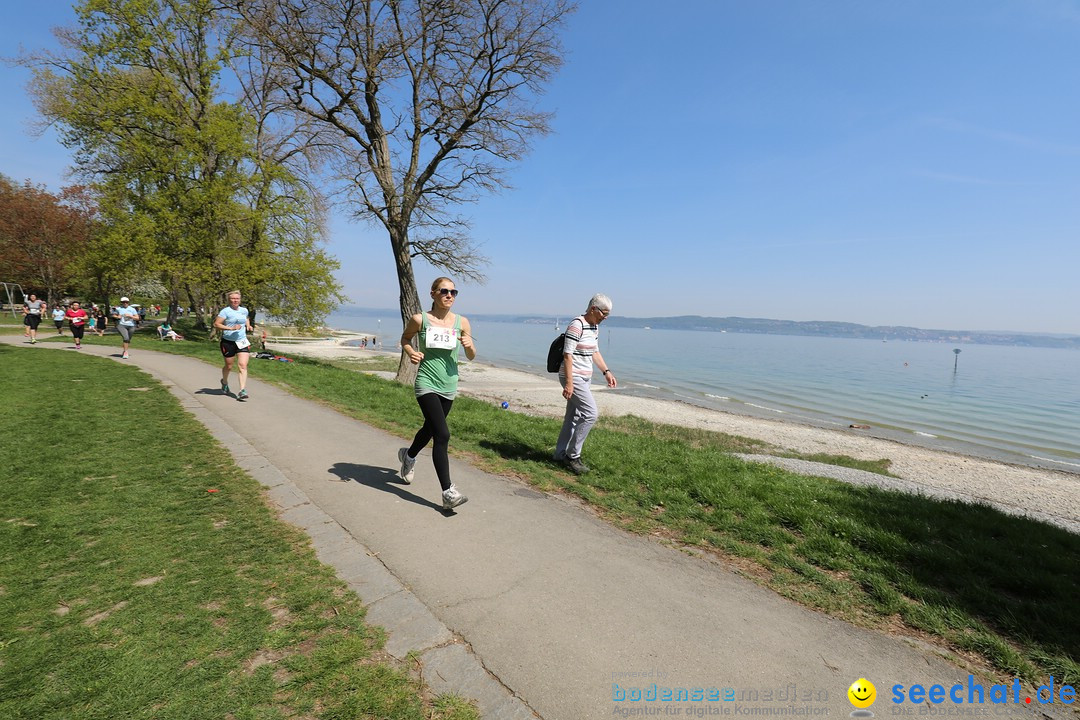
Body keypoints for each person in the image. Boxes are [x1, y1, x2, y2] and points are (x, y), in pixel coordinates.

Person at [397, 277, 476, 511]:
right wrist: (411, 352)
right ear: (433, 294)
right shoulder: (420, 319)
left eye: (453, 292)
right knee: (442, 435)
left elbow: (471, 355)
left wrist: (469, 345)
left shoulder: (462, 322)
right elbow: (404, 339)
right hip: (426, 382)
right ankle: (448, 492)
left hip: (449, 385)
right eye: (444, 291)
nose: (449, 295)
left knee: (430, 429)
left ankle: (408, 456)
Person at [553, 293, 617, 475]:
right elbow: (568, 354)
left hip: (584, 377)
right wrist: (570, 383)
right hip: (572, 377)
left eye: (607, 315)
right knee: (590, 414)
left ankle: (559, 454)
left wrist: (606, 371)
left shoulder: (594, 327)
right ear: (593, 309)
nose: (605, 317)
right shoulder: (577, 325)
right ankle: (573, 456)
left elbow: (595, 352)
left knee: (572, 417)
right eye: (604, 313)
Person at [214, 290, 254, 401]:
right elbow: (216, 324)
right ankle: (224, 382)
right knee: (229, 366)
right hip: (228, 342)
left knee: (242, 365)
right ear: (229, 300)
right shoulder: (225, 312)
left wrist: (248, 326)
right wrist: (231, 328)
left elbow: (246, 318)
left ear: (240, 299)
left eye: (237, 298)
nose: (235, 300)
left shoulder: (244, 310)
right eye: (233, 298)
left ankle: (242, 390)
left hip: (242, 341)